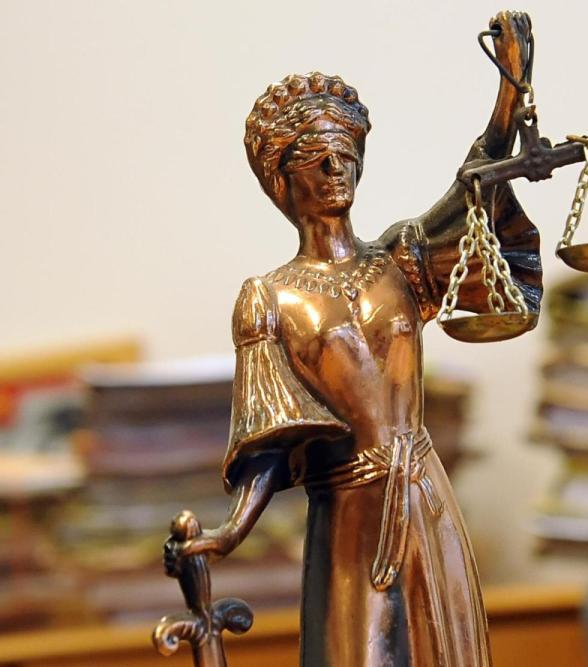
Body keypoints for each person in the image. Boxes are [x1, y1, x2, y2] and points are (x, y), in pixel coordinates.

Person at [164, 12, 540, 666]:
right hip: (348, 514)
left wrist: (508, 98)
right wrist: (229, 532)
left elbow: (474, 189)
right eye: (318, 159)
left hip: (425, 497)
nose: (338, 168)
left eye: (347, 154)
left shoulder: (402, 259)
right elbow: (269, 443)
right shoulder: (270, 298)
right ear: (282, 179)